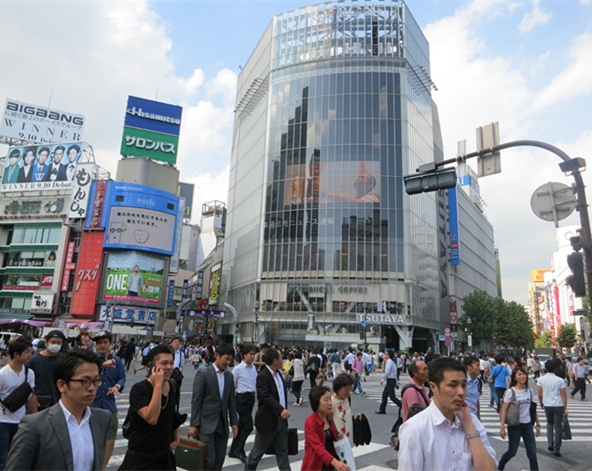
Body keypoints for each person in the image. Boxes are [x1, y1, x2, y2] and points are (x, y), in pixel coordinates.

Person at [5, 349, 111, 471]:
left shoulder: (102, 419)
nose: (92, 388)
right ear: (61, 385)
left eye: (96, 381)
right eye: (84, 381)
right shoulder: (34, 425)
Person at [397, 357, 497, 471]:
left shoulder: (472, 421)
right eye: (452, 385)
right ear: (433, 387)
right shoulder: (416, 428)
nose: (461, 392)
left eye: (464, 385)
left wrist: (470, 429)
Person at [119, 345, 179, 470]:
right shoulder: (139, 389)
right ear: (152, 365)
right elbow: (151, 418)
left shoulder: (172, 386)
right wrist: (158, 385)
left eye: (171, 363)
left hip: (163, 456)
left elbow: (172, 414)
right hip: (141, 458)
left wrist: (176, 439)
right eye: (164, 363)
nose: (169, 367)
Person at [189, 344, 237, 471]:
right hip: (206, 423)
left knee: (219, 461)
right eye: (226, 359)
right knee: (208, 460)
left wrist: (234, 423)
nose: (228, 362)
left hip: (222, 424)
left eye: (230, 360)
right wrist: (194, 424)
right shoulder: (204, 374)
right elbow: (196, 400)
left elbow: (232, 402)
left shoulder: (229, 376)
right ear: (217, 356)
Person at [245, 347, 291, 471]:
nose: (283, 360)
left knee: (283, 453)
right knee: (257, 452)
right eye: (281, 358)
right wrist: (280, 409)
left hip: (281, 421)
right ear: (275, 360)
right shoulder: (263, 376)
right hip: (268, 421)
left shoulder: (279, 374)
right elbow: (265, 396)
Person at [0, 337, 37, 470]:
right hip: (2, 422)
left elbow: (31, 396)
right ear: (16, 354)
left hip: (21, 421)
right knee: (3, 457)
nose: (30, 355)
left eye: (31, 351)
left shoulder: (29, 373)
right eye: (27, 352)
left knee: (19, 456)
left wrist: (35, 418)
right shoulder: (2, 374)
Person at [91, 331, 125, 470]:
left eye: (105, 342)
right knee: (92, 438)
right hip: (92, 405)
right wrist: (102, 366)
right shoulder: (92, 359)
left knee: (110, 439)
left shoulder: (117, 361)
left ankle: (102, 467)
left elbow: (122, 378)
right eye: (99, 343)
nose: (102, 345)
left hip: (109, 405)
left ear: (111, 344)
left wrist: (117, 386)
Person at [498, 367, 540, 471]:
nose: (522, 376)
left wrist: (538, 424)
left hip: (528, 425)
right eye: (519, 375)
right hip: (515, 426)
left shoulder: (529, 391)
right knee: (512, 452)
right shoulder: (511, 392)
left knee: (532, 454)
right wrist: (502, 427)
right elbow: (504, 410)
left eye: (524, 374)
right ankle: (500, 467)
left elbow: (533, 408)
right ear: (515, 378)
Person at [302, 386, 349, 471]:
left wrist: (338, 436)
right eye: (326, 400)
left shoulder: (329, 416)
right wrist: (335, 462)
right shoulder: (310, 422)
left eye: (330, 399)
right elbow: (318, 447)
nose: (330, 403)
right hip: (316, 465)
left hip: (330, 465)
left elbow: (330, 437)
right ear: (316, 402)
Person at [229, 344, 258, 463]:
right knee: (248, 425)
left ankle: (233, 449)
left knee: (242, 424)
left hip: (251, 397)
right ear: (244, 355)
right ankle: (239, 449)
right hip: (241, 398)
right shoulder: (238, 369)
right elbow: (233, 385)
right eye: (250, 354)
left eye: (254, 354)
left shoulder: (253, 368)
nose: (253, 357)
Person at [27, 330, 65, 410]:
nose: (55, 345)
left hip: (60, 401)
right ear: (46, 341)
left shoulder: (64, 360)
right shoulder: (34, 360)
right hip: (40, 402)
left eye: (59, 343)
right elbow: (27, 383)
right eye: (53, 342)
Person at [537, 359, 567, 457]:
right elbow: (563, 395)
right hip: (558, 405)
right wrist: (565, 408)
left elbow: (540, 394)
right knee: (557, 426)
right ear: (555, 368)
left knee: (549, 423)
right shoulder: (560, 380)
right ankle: (557, 447)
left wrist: (541, 403)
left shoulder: (541, 379)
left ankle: (550, 443)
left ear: (545, 368)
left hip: (547, 405)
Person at [331, 373, 360, 447]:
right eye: (346, 389)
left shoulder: (347, 398)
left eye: (350, 388)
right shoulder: (331, 402)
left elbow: (345, 413)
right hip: (337, 440)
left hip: (347, 437)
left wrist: (354, 416)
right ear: (338, 388)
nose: (348, 392)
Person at [375, 350, 400, 414]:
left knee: (392, 397)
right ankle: (382, 409)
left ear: (388, 356)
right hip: (392, 380)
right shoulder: (392, 362)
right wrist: (396, 382)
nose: (385, 355)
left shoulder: (389, 362)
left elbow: (387, 372)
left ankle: (403, 405)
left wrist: (382, 379)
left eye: (386, 354)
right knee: (384, 395)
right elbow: (395, 373)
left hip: (390, 380)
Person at [464, 355, 482, 420]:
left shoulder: (478, 382)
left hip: (474, 416)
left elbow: (477, 400)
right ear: (469, 367)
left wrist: (478, 418)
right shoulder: (462, 381)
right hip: (462, 417)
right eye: (477, 365)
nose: (479, 368)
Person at [170, 338, 184, 407]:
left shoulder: (181, 354)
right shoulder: (168, 353)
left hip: (177, 374)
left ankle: (176, 407)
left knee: (177, 392)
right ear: (171, 343)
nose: (177, 343)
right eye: (175, 342)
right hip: (169, 373)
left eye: (178, 342)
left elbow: (181, 364)